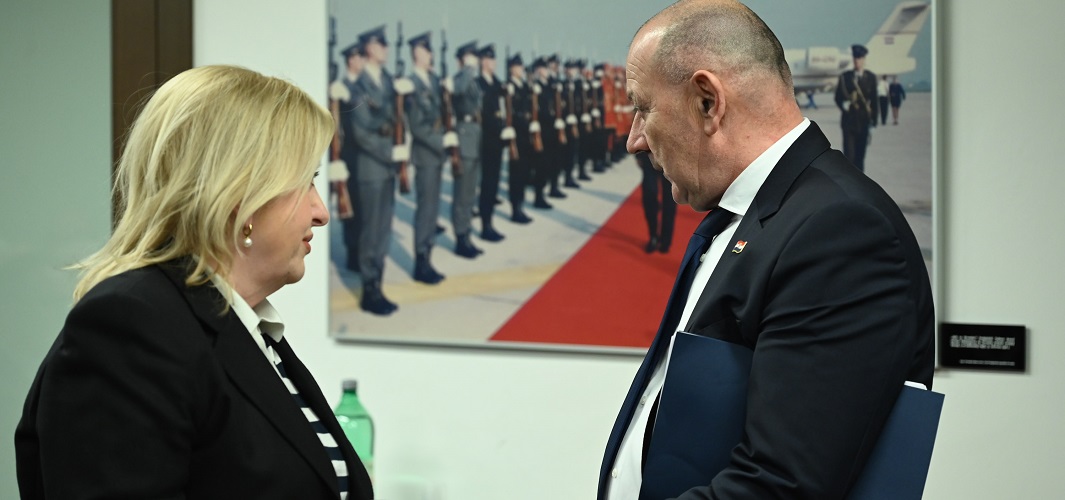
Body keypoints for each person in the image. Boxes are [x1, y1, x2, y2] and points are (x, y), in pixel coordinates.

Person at [599, 1, 934, 499]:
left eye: (644, 108)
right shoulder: (755, 215)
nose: (635, 140)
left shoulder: (839, 232)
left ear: (708, 102)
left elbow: (782, 485)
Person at [14, 65, 373, 500]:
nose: (321, 212)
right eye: (306, 182)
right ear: (239, 191)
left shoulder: (247, 330)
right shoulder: (132, 326)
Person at [350, 25, 411, 315]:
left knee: (384, 230)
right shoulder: (359, 86)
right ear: (369, 48)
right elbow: (362, 134)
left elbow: (398, 118)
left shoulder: (388, 81)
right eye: (381, 44)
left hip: (387, 169)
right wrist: (390, 152)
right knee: (371, 231)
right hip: (372, 168)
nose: (386, 48)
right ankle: (369, 290)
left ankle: (379, 284)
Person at [405, 31, 449, 284]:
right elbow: (417, 126)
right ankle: (421, 262)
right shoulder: (412, 83)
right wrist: (440, 141)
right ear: (417, 54)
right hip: (425, 154)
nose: (430, 54)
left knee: (433, 210)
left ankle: (428, 258)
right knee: (426, 211)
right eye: (426, 50)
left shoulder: (432, 80)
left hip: (436, 155)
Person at [450, 40, 485, 258]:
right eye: (471, 57)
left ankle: (467, 234)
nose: (475, 61)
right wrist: (468, 69)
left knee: (470, 193)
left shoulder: (472, 79)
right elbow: (459, 90)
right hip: (464, 137)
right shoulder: (460, 78)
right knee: (462, 193)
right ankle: (460, 238)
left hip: (476, 136)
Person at [476, 43, 509, 242]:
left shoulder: (497, 83)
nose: (493, 62)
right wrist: (498, 127)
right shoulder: (478, 84)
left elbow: (503, 109)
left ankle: (490, 221)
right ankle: (485, 225)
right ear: (482, 61)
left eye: (494, 59)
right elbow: (482, 114)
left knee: (494, 182)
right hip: (486, 139)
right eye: (489, 59)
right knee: (487, 184)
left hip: (498, 140)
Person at [835, 43, 879, 172]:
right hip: (848, 122)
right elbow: (838, 97)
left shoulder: (871, 78)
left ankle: (859, 183)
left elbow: (874, 101)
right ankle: (849, 183)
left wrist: (874, 122)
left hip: (864, 122)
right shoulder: (845, 77)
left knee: (860, 157)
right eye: (855, 58)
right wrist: (843, 105)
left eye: (859, 58)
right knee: (849, 157)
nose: (857, 61)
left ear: (864, 59)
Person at [636, 151, 676, 253]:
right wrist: (638, 154)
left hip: (671, 157)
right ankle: (653, 235)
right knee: (649, 197)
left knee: (670, 200)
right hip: (649, 155)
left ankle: (666, 240)